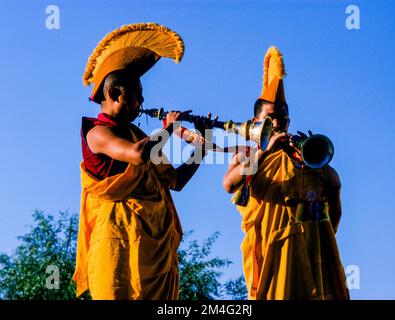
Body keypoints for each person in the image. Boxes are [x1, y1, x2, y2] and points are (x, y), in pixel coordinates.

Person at [73, 23, 207, 300]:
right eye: (136, 97)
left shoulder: (138, 134)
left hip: (153, 247)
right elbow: (136, 154)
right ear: (115, 95)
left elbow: (176, 182)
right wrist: (169, 129)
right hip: (118, 243)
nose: (141, 104)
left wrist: (200, 148)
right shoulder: (97, 133)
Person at [223, 47, 350, 300]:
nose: (278, 124)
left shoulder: (304, 158)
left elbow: (333, 199)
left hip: (313, 255)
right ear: (254, 122)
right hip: (271, 253)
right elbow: (229, 184)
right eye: (270, 119)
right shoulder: (247, 157)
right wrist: (265, 152)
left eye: (283, 118)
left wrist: (315, 164)